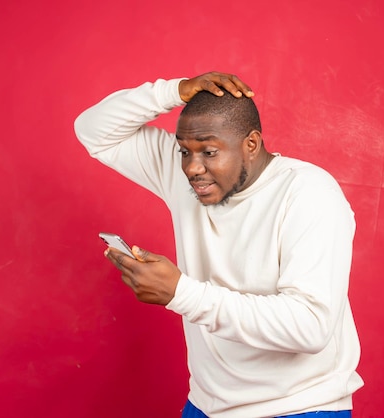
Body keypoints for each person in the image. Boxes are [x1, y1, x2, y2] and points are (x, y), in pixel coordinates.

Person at [74, 71, 364, 418]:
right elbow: (93, 130)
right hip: (208, 405)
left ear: (251, 145)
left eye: (209, 152)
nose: (193, 168)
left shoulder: (309, 193)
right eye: (184, 151)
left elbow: (310, 327)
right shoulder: (187, 176)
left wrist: (181, 293)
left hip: (299, 407)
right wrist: (175, 91)